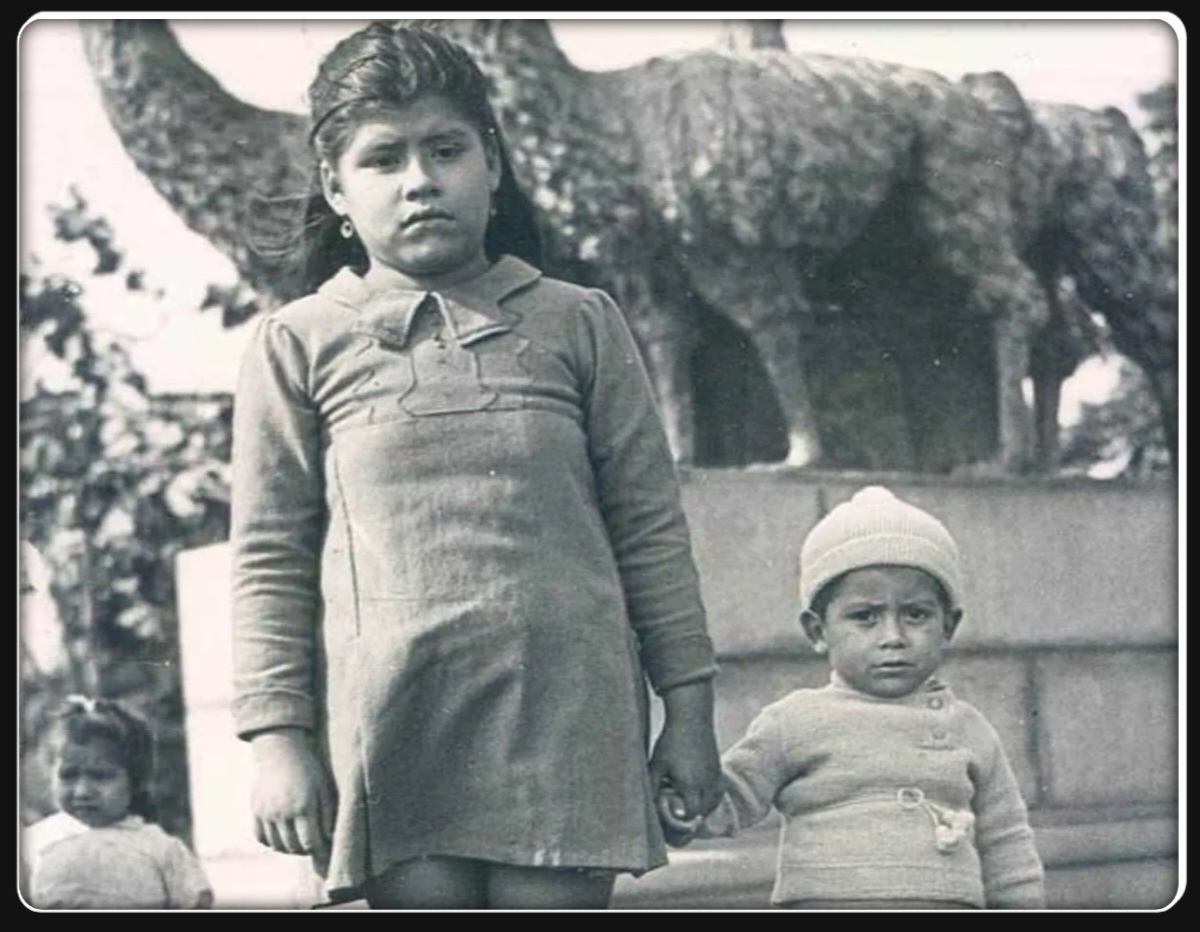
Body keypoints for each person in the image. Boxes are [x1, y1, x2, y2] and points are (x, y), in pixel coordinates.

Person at [231, 22, 722, 910]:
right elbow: (269, 558)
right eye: (384, 159)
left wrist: (688, 712)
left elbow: (650, 530)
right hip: (397, 729)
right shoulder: (296, 343)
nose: (420, 179)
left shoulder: (581, 322)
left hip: (566, 722)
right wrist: (277, 741)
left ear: (492, 163)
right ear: (335, 188)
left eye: (446, 149)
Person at [663, 486, 1046, 909]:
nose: (893, 637)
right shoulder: (795, 721)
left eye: (916, 614)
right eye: (865, 617)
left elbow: (1006, 839)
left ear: (948, 626)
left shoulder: (968, 728)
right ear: (817, 631)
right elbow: (729, 797)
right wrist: (679, 807)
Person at [21, 696, 214, 910]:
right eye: (69, 775)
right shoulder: (32, 844)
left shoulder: (161, 849)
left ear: (135, 781)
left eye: (100, 776)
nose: (82, 791)